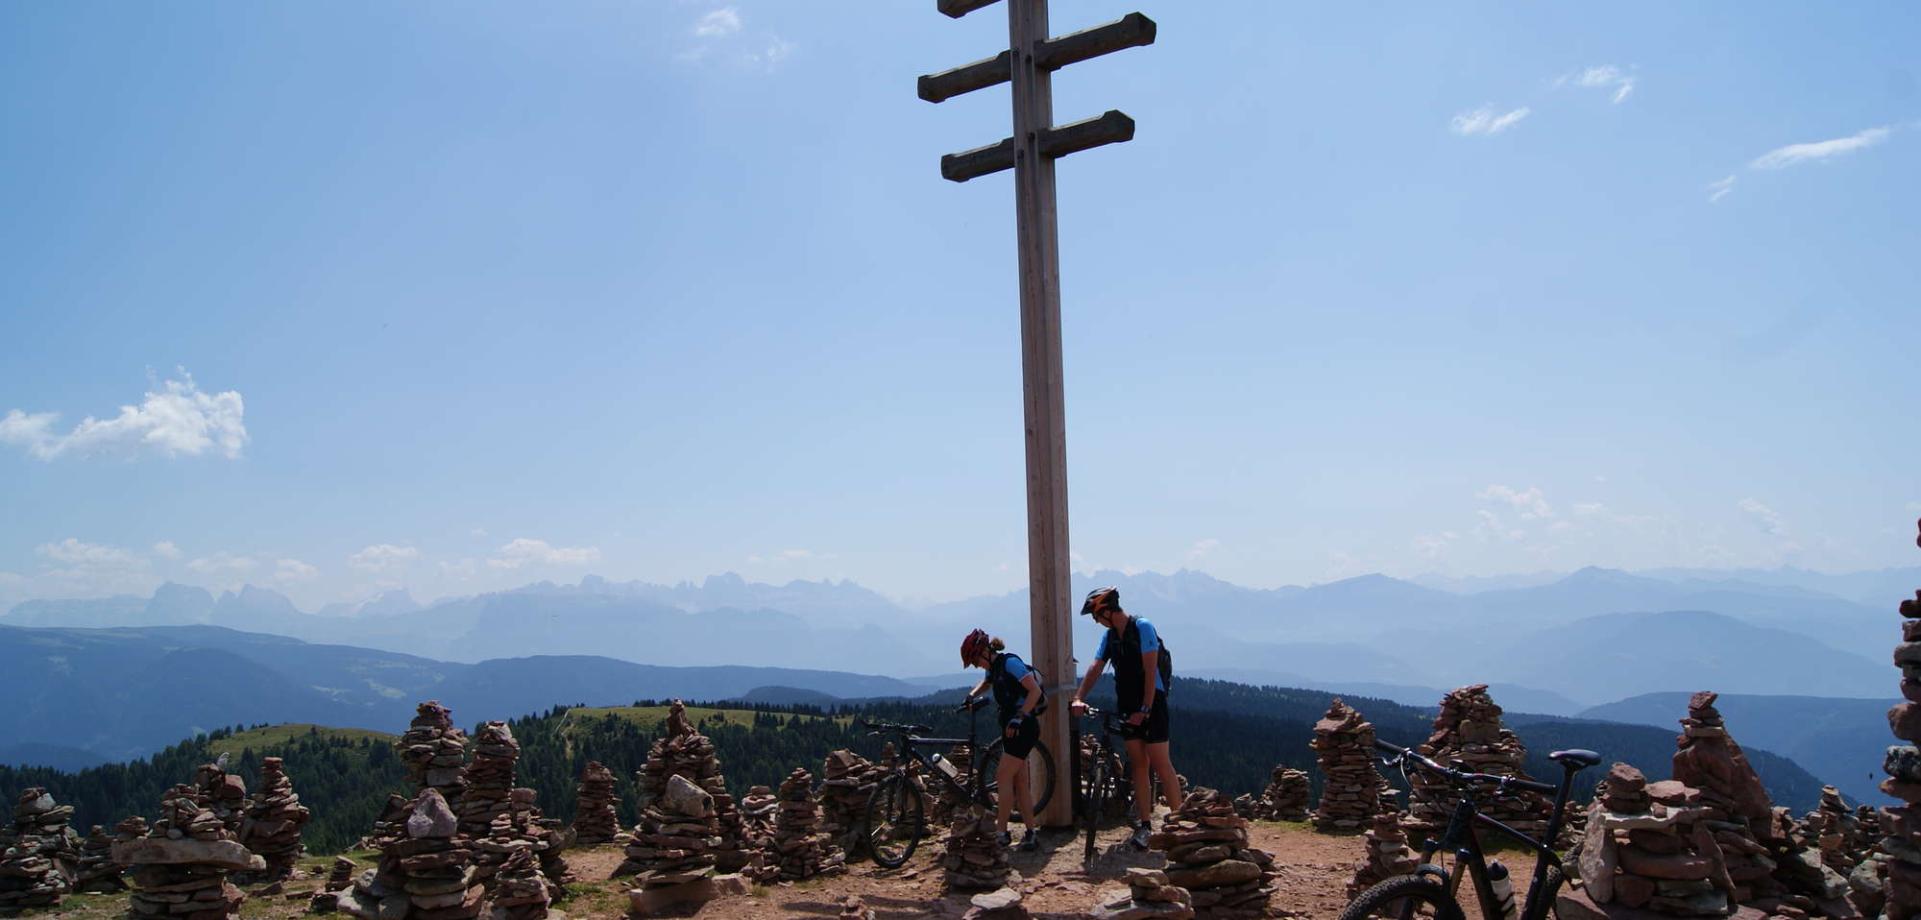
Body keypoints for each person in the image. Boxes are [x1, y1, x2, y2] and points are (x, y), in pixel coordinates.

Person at [1069, 585, 1183, 849]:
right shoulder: (1111, 637)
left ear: (1106, 611)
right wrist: (1079, 696)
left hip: (1152, 704)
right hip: (1127, 704)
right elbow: (1096, 666)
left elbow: (1151, 669)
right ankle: (1145, 826)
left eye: (1096, 616)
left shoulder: (1142, 627)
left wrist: (1144, 709)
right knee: (1139, 766)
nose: (1096, 622)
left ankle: (1180, 825)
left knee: (1161, 763)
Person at [961, 627, 1045, 852]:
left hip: (1023, 727)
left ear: (985, 652)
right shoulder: (994, 667)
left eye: (976, 659)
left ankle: (1001, 833)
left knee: (1002, 776)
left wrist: (1019, 717)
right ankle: (1030, 832)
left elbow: (1035, 691)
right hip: (1011, 727)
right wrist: (972, 695)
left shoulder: (1010, 664)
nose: (977, 664)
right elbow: (987, 683)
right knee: (1019, 782)